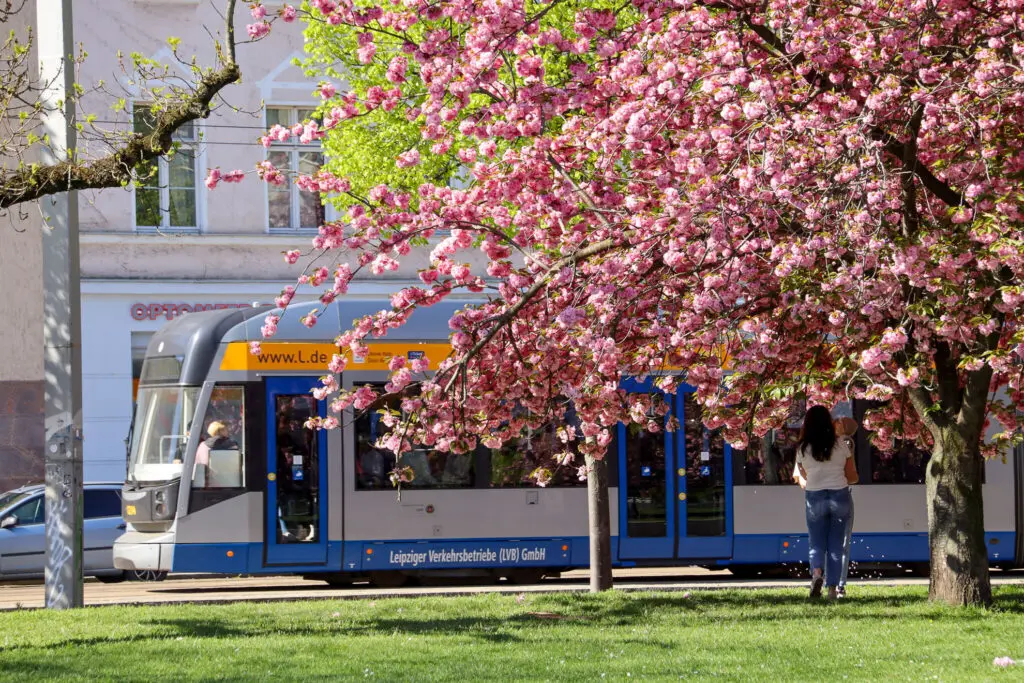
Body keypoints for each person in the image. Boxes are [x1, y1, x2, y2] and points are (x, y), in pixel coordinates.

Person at [794, 405, 859, 600]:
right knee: (836, 544)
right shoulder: (841, 445)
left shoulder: (802, 448)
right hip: (839, 495)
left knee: (816, 542)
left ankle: (816, 575)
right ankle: (832, 589)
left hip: (814, 496)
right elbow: (852, 477)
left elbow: (803, 475)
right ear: (829, 422)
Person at [194, 421, 238, 487]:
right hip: (227, 483)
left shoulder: (202, 445)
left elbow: (198, 464)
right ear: (220, 431)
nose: (229, 432)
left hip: (206, 483)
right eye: (226, 429)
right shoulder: (230, 445)